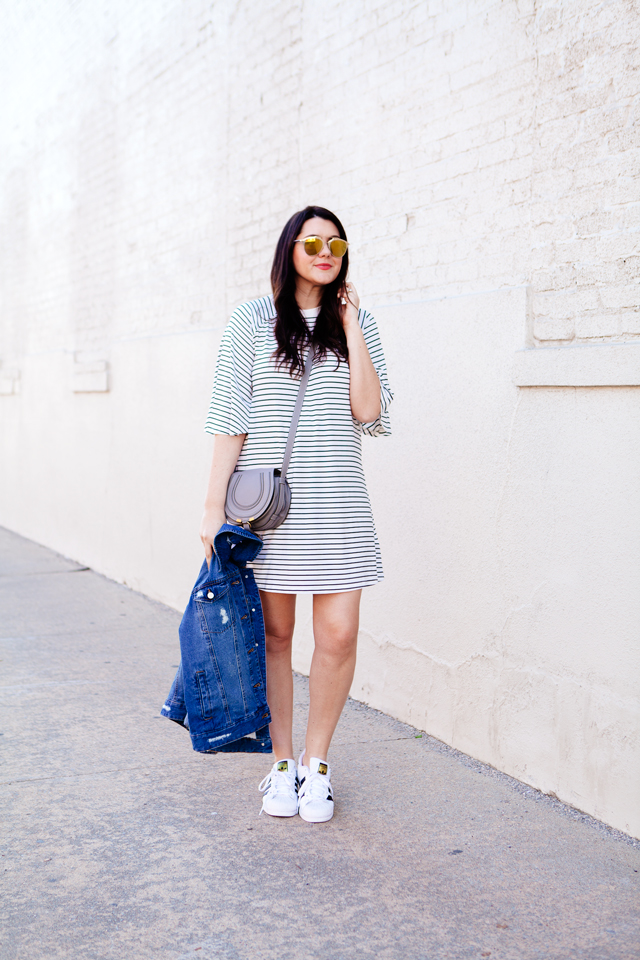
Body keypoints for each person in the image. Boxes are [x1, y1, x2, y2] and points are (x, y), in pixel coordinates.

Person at [200, 205, 392, 822]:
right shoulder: (252, 321)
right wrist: (211, 510)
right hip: (268, 513)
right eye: (312, 241)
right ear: (290, 249)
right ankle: (280, 765)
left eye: (336, 243)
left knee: (337, 637)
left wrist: (353, 323)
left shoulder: (357, 325)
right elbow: (229, 418)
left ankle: (317, 767)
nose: (325, 250)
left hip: (339, 509)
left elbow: (370, 413)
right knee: (276, 638)